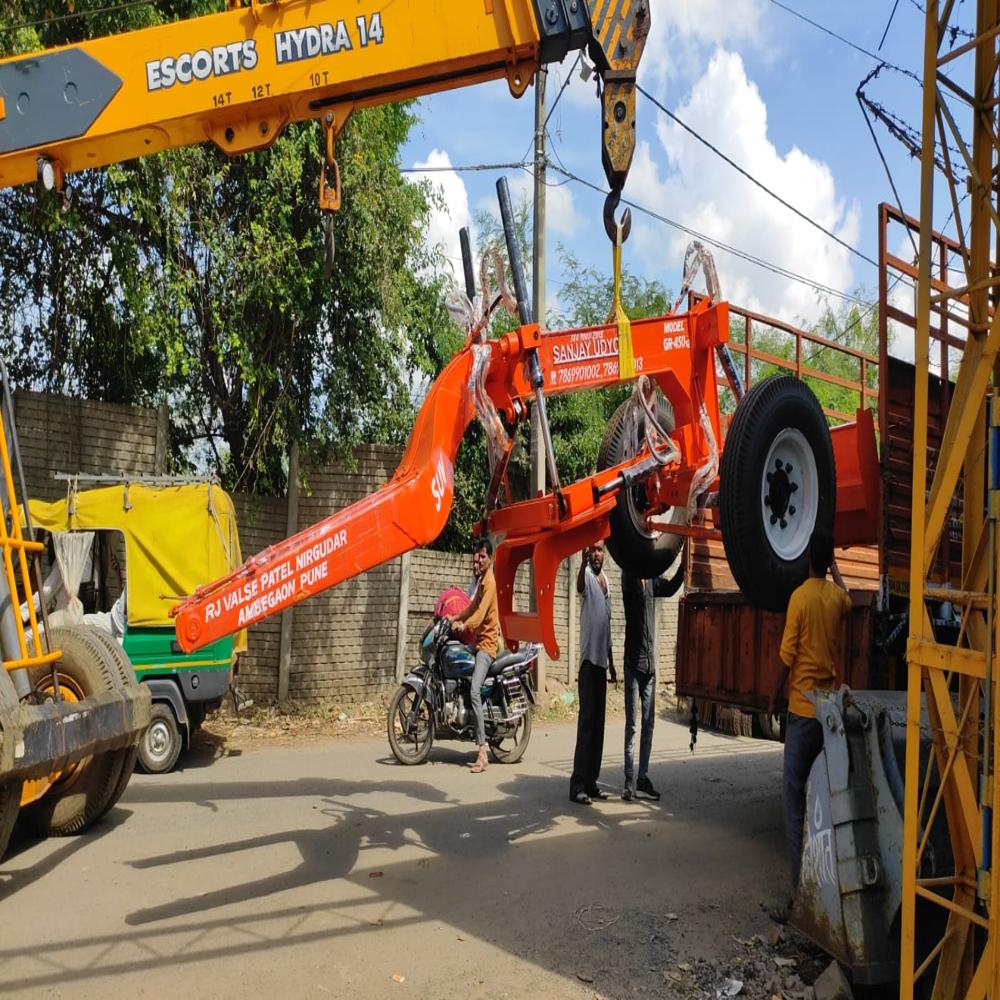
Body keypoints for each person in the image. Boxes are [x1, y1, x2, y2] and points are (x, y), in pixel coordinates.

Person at [769, 529, 851, 920]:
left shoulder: (799, 598)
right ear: (828, 560)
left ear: (807, 560)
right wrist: (834, 568)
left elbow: (787, 658)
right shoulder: (835, 599)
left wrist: (772, 696)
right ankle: (824, 889)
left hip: (801, 712)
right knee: (821, 801)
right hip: (826, 715)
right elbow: (848, 598)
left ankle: (797, 895)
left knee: (793, 802)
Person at [620, 565, 683, 801]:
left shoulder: (652, 580)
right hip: (633, 664)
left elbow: (670, 587)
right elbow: (629, 565)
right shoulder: (629, 577)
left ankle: (642, 778)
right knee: (632, 725)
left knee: (649, 724)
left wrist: (683, 568)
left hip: (650, 666)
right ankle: (629, 780)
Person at [447, 538, 499, 774]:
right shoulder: (481, 581)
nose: (480, 560)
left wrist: (464, 625)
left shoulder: (490, 583)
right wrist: (454, 617)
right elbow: (470, 608)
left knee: (475, 691)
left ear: (490, 559)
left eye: (483, 557)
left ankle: (482, 751)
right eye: (478, 556)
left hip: (486, 647)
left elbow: (478, 616)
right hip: (477, 644)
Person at [570, 540, 614, 805]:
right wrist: (581, 563)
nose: (596, 554)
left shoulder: (607, 581)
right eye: (593, 550)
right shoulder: (585, 576)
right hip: (588, 663)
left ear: (604, 554)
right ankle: (577, 785)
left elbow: (607, 624)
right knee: (586, 725)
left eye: (599, 550)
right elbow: (578, 587)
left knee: (598, 726)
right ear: (587, 553)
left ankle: (591, 782)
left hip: (602, 665)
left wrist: (612, 663)